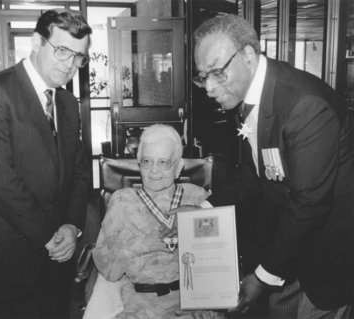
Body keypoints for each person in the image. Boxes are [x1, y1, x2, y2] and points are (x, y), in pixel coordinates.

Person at [190, 14, 354, 319]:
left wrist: (263, 276)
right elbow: (258, 169)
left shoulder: (305, 105)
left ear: (248, 56)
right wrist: (205, 207)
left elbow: (310, 205)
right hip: (289, 251)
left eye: (217, 73)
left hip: (327, 257)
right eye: (202, 76)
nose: (209, 88)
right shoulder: (250, 95)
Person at [0, 9, 91, 319]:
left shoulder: (67, 102)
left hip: (60, 247)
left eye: (79, 57)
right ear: (37, 42)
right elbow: (1, 181)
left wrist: (72, 226)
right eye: (63, 51)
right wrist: (49, 236)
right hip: (10, 249)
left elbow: (78, 170)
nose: (70, 65)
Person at [92, 124, 219, 319]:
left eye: (163, 162)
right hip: (137, 305)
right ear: (138, 164)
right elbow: (108, 270)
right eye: (147, 161)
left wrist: (208, 301)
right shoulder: (122, 201)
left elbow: (217, 259)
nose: (154, 171)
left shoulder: (197, 198)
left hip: (190, 303)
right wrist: (144, 244)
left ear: (178, 167)